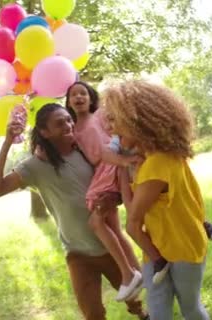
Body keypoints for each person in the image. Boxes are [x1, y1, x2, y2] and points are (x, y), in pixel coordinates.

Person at [0, 103, 149, 320]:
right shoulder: (34, 166)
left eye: (68, 119)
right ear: (45, 132)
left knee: (136, 297)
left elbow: (111, 179)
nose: (68, 124)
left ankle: (143, 315)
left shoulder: (86, 151)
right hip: (78, 255)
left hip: (109, 246)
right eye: (59, 123)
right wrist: (7, 143)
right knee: (93, 314)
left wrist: (113, 198)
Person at [103, 80, 211, 320]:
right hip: (155, 248)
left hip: (181, 249)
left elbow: (132, 222)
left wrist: (157, 258)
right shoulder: (152, 158)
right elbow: (135, 211)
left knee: (190, 308)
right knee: (159, 311)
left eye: (113, 120)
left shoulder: (157, 164)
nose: (109, 129)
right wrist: (122, 168)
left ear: (137, 120)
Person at [65, 81, 143, 301]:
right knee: (114, 230)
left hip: (112, 164)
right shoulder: (73, 130)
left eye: (83, 93)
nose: (78, 97)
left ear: (90, 97)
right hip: (100, 172)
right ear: (68, 102)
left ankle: (130, 273)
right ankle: (138, 272)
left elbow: (116, 125)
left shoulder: (99, 114)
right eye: (73, 95)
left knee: (96, 222)